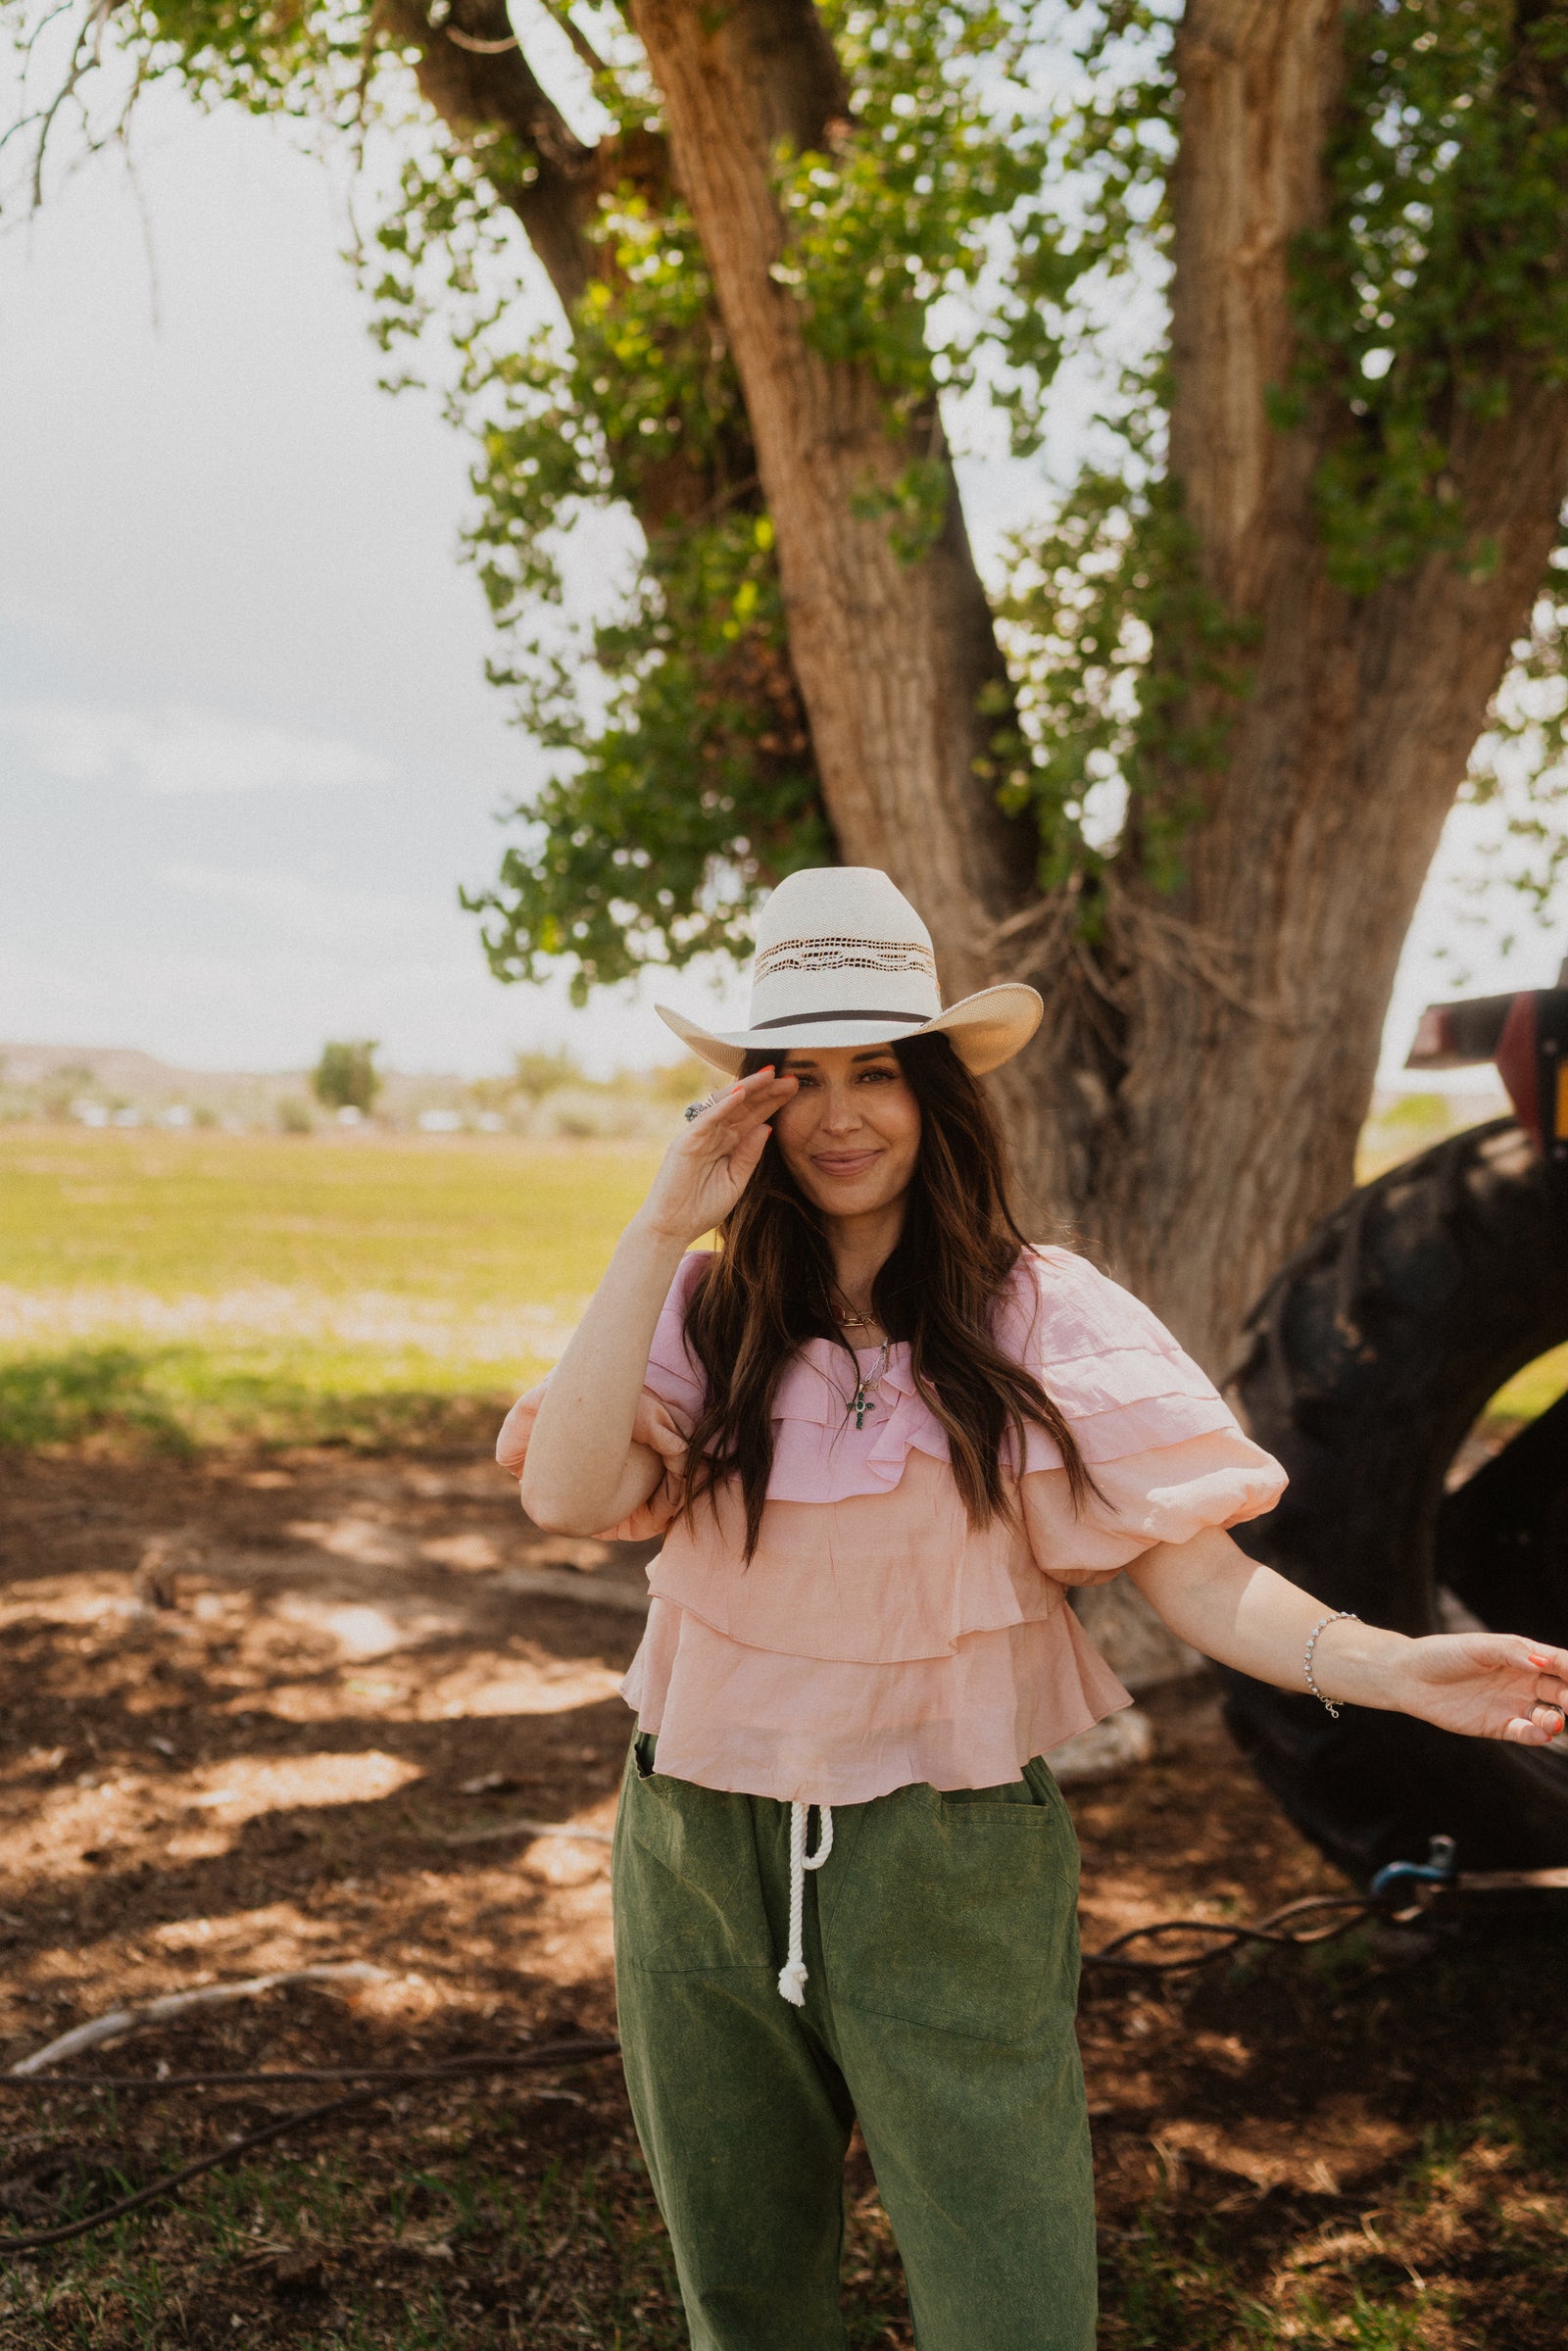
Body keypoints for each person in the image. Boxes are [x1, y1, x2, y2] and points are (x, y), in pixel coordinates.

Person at [500, 866, 1568, 2351]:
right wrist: (653, 1233)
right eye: (800, 1078)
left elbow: (1196, 1571)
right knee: (744, 2296)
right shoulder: (701, 1313)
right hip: (694, 1842)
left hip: (947, 1859)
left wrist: (1395, 1669)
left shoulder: (1045, 1315)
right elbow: (563, 1494)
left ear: (936, 1090)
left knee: (1010, 2304)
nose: (842, 1114)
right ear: (750, 1101)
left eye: (879, 1070)